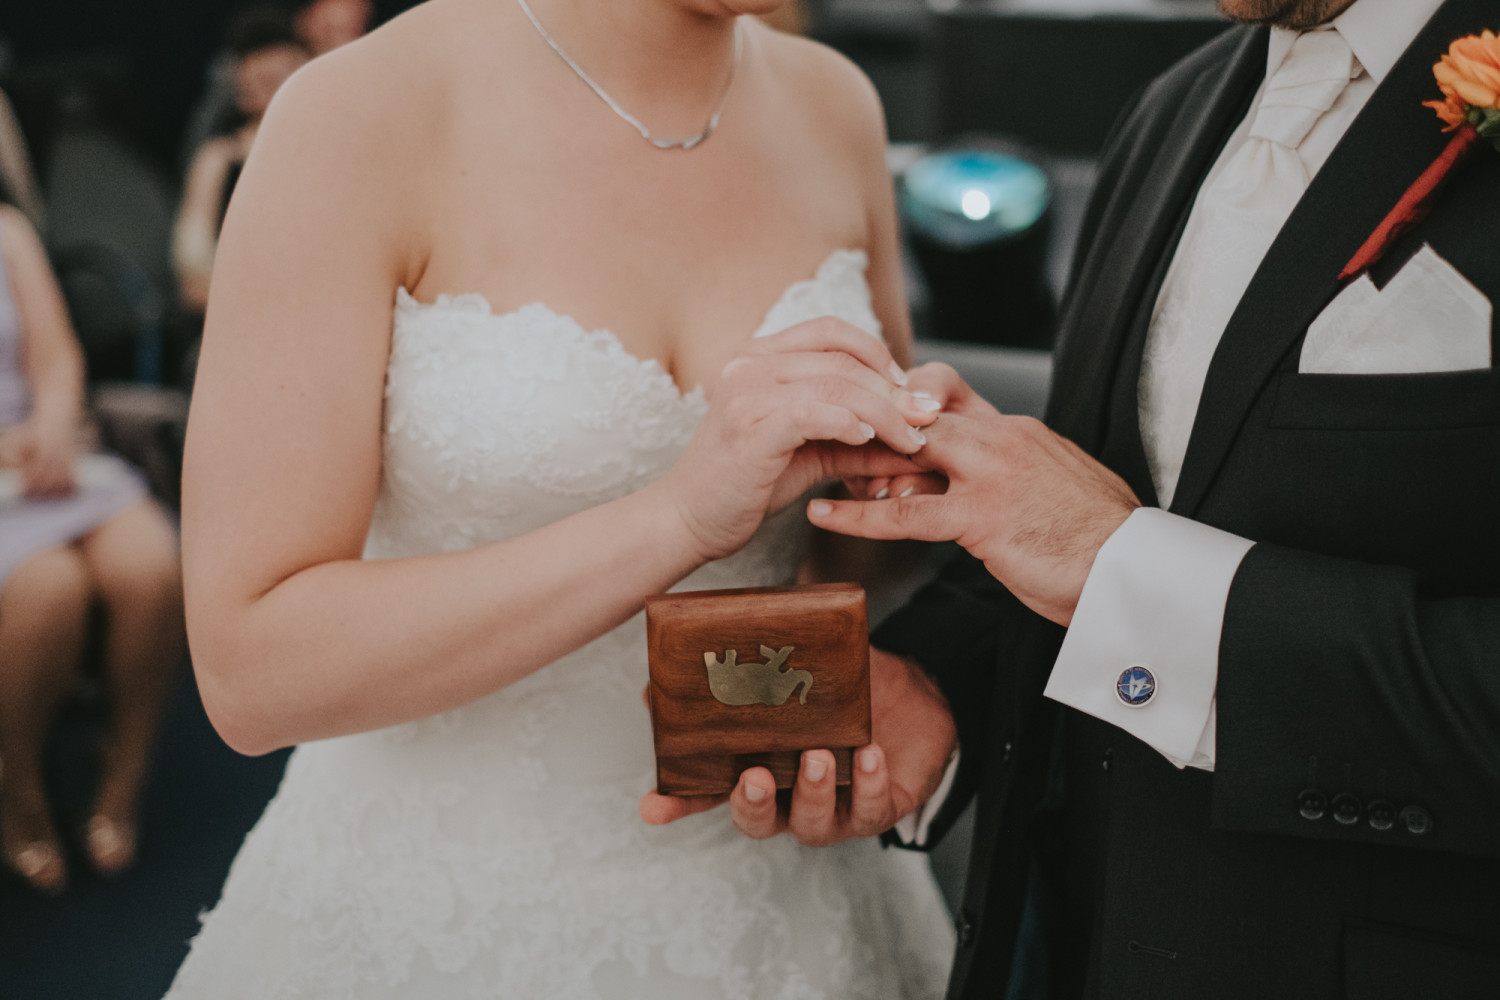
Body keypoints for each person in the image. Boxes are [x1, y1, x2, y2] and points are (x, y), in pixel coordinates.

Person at [657, 0, 1500, 996]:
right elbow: (1100, 498)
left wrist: (1123, 567)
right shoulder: (1172, 109)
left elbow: (1110, 548)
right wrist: (939, 684)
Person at [166, 0, 955, 995]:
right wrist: (673, 519)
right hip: (436, 915)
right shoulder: (355, 113)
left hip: (778, 885)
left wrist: (900, 485)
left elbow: (841, 561)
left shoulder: (834, 100)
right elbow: (252, 671)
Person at [0, 204, 185, 894]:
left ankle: (124, 767)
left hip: (50, 458)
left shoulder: (7, 230)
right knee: (49, 591)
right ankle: (17, 783)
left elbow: (55, 355)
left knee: (152, 567)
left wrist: (51, 422)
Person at [173, 11, 310, 315]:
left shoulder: (325, 149)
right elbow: (193, 282)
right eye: (266, 82)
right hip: (250, 316)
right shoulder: (218, 160)